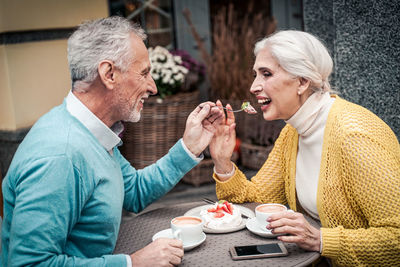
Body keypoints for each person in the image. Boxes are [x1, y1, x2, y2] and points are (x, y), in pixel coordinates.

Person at [1, 16, 223, 267]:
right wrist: (132, 263)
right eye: (144, 73)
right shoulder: (60, 156)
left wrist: (190, 146)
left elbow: (133, 192)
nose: (153, 87)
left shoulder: (90, 131)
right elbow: (28, 264)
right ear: (109, 74)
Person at [209, 30, 400, 266]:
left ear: (302, 82)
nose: (253, 86)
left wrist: (320, 240)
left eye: (266, 74)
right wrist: (222, 161)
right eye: (255, 74)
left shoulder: (354, 136)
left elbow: (396, 237)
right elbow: (257, 200)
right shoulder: (293, 131)